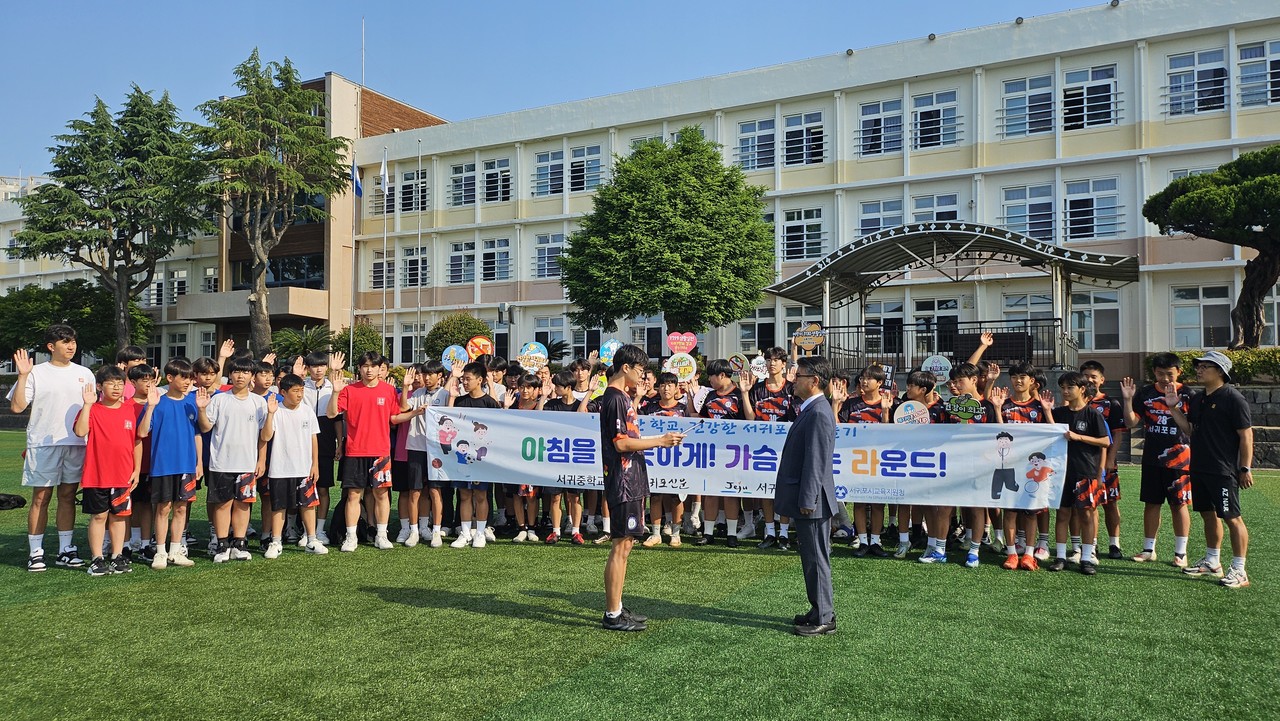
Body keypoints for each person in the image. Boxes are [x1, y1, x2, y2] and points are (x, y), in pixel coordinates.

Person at [598, 344, 684, 632]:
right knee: (621, 545)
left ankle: (617, 607)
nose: (644, 377)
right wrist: (661, 440)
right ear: (626, 368)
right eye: (640, 370)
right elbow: (621, 443)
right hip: (623, 480)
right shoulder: (614, 399)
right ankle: (612, 613)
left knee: (627, 543)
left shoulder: (621, 398)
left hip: (630, 478)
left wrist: (634, 398)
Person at [1162, 352, 1253, 589]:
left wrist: (1245, 467)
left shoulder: (1234, 398)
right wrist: (1173, 409)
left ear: (1220, 371)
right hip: (1200, 467)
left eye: (1205, 367)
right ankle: (1213, 561)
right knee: (1207, 514)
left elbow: (1246, 435)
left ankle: (1240, 570)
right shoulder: (1198, 398)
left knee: (1232, 518)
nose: (1199, 370)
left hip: (1223, 470)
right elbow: (1191, 429)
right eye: (1199, 366)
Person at [9, 325, 95, 572]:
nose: (71, 346)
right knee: (41, 497)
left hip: (76, 443)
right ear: (51, 346)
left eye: (73, 341)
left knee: (68, 496)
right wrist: (23, 375)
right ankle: (36, 552)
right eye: (65, 342)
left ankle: (65, 550)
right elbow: (17, 407)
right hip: (44, 443)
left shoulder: (85, 373)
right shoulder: (36, 372)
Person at [775, 355, 839, 636]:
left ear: (814, 381)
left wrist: (807, 500)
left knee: (816, 559)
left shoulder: (818, 413)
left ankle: (824, 616)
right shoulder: (813, 409)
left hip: (812, 502)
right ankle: (818, 608)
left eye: (798, 376)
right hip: (810, 500)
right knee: (812, 557)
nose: (793, 380)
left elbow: (816, 461)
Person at [1120, 352, 1193, 567]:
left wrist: (1175, 407)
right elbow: (1131, 423)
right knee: (1151, 503)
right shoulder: (1146, 393)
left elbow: (1190, 427)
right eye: (1160, 374)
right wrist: (1127, 400)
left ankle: (1181, 552)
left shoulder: (1189, 394)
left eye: (1169, 374)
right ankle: (1148, 549)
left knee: (1179, 504)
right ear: (1154, 372)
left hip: (1180, 460)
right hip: (1152, 457)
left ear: (1179, 372)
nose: (1165, 379)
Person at [73, 365, 146, 576]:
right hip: (97, 475)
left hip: (123, 474)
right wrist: (87, 405)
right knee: (98, 516)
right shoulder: (92, 409)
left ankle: (116, 555)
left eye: (120, 383)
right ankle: (97, 558)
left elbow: (137, 441)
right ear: (99, 386)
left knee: (119, 516)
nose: (116, 387)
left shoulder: (129, 410)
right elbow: (80, 431)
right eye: (111, 383)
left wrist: (137, 469)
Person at [197, 356, 270, 562]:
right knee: (222, 504)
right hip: (221, 462)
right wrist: (202, 409)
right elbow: (205, 427)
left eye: (245, 372)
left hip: (247, 463)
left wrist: (261, 460)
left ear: (251, 376)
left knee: (243, 504)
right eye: (237, 372)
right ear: (230, 374)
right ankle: (222, 545)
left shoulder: (258, 403)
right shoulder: (220, 399)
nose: (240, 376)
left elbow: (264, 437)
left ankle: (239, 543)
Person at [326, 351, 399, 552]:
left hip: (380, 452)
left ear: (379, 368)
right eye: (365, 366)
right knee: (353, 496)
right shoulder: (349, 390)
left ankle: (381, 535)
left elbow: (394, 418)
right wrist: (334, 391)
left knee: (381, 494)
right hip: (355, 451)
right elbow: (332, 413)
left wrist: (415, 409)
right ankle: (351, 537)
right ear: (359, 368)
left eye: (373, 366)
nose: (369, 370)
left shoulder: (389, 391)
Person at [989, 362, 1054, 571]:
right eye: (1015, 377)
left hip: (1032, 469)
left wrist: (1047, 411)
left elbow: (1055, 434)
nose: (1018, 381)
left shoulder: (1039, 406)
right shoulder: (1005, 404)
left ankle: (1028, 554)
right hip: (1009, 466)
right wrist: (998, 409)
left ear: (1032, 381)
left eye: (1023, 377)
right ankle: (1011, 554)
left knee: (1031, 512)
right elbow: (999, 434)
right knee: (1009, 511)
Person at [1049, 372, 1110, 575]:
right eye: (1063, 388)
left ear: (1082, 389)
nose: (1065, 392)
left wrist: (1079, 437)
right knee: (1062, 513)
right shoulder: (1058, 412)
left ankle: (1086, 557)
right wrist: (1047, 411)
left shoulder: (1093, 414)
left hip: (1086, 471)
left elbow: (1105, 442)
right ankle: (1059, 556)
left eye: (1070, 388)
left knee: (1086, 514)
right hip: (1061, 471)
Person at [690, 358, 755, 547]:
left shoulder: (738, 393)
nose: (709, 379)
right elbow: (700, 418)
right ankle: (708, 532)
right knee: (710, 492)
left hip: (734, 453)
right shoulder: (710, 396)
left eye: (711, 375)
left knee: (731, 493)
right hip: (712, 451)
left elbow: (750, 418)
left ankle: (731, 533)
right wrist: (688, 396)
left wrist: (744, 394)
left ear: (722, 375)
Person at [831, 364, 893, 557]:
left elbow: (890, 433)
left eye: (869, 378)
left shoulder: (888, 402)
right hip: (855, 460)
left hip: (878, 460)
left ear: (880, 382)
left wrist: (885, 412)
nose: (864, 382)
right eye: (862, 378)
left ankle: (876, 541)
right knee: (859, 502)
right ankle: (863, 540)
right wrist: (835, 404)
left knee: (877, 502)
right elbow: (836, 427)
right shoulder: (851, 403)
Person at [146, 359, 203, 569]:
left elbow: (198, 434)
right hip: (162, 465)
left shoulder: (192, 403)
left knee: (181, 508)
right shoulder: (158, 402)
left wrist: (199, 462)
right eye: (184, 377)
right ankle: (160, 552)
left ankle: (175, 550)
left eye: (190, 378)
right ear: (170, 378)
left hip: (186, 465)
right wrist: (150, 407)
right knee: (163, 508)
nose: (189, 382)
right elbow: (143, 431)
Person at [262, 374, 325, 557]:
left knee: (308, 505)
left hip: (304, 468)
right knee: (279, 506)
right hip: (279, 469)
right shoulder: (276, 411)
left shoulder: (307, 411)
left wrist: (315, 465)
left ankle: (312, 540)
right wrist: (270, 414)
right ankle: (276, 542)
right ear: (283, 392)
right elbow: (265, 437)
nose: (299, 395)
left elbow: (314, 438)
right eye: (295, 391)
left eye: (301, 391)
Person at [446, 361, 502, 548]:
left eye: (468, 379)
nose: (465, 382)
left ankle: (480, 532)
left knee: (481, 494)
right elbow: (448, 422)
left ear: (480, 380)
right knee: (463, 494)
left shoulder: (490, 403)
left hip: (481, 457)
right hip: (462, 456)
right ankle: (464, 532)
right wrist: (452, 399)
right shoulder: (461, 400)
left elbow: (499, 428)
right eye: (463, 379)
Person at [745, 347, 797, 550]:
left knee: (783, 490)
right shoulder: (757, 389)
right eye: (769, 360)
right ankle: (769, 532)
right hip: (762, 448)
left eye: (776, 360)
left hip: (786, 446)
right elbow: (750, 419)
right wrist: (744, 392)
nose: (772, 363)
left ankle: (784, 533)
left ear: (784, 364)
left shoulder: (792, 388)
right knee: (765, 490)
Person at [1079, 360, 1127, 559]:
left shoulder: (1111, 403)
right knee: (1091, 505)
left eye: (1094, 376)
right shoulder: (1076, 401)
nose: (1090, 380)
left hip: (1107, 463)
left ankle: (1114, 544)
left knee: (1111, 503)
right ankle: (1093, 544)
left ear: (1102, 380)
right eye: (1086, 376)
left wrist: (1111, 459)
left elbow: (1117, 434)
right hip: (1085, 462)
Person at [639, 371, 689, 548]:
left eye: (670, 385)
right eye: (663, 384)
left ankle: (676, 534)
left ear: (676, 388)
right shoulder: (649, 408)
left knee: (676, 497)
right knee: (655, 496)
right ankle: (655, 534)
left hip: (678, 460)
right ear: (658, 387)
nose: (666, 388)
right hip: (654, 460)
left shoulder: (683, 409)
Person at [542, 370, 587, 545]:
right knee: (555, 497)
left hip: (575, 457)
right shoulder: (552, 404)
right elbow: (537, 417)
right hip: (555, 457)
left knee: (574, 497)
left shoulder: (579, 405)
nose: (555, 388)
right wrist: (543, 397)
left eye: (558, 386)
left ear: (568, 387)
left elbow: (582, 416)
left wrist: (589, 392)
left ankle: (576, 531)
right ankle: (556, 531)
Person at [302, 352, 342, 545]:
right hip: (302, 442)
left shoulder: (332, 388)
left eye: (321, 366)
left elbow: (337, 419)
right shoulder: (300, 387)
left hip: (326, 442)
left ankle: (320, 529)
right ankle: (305, 531)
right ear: (307, 368)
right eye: (314, 366)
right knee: (304, 487)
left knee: (323, 488)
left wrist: (340, 443)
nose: (318, 370)